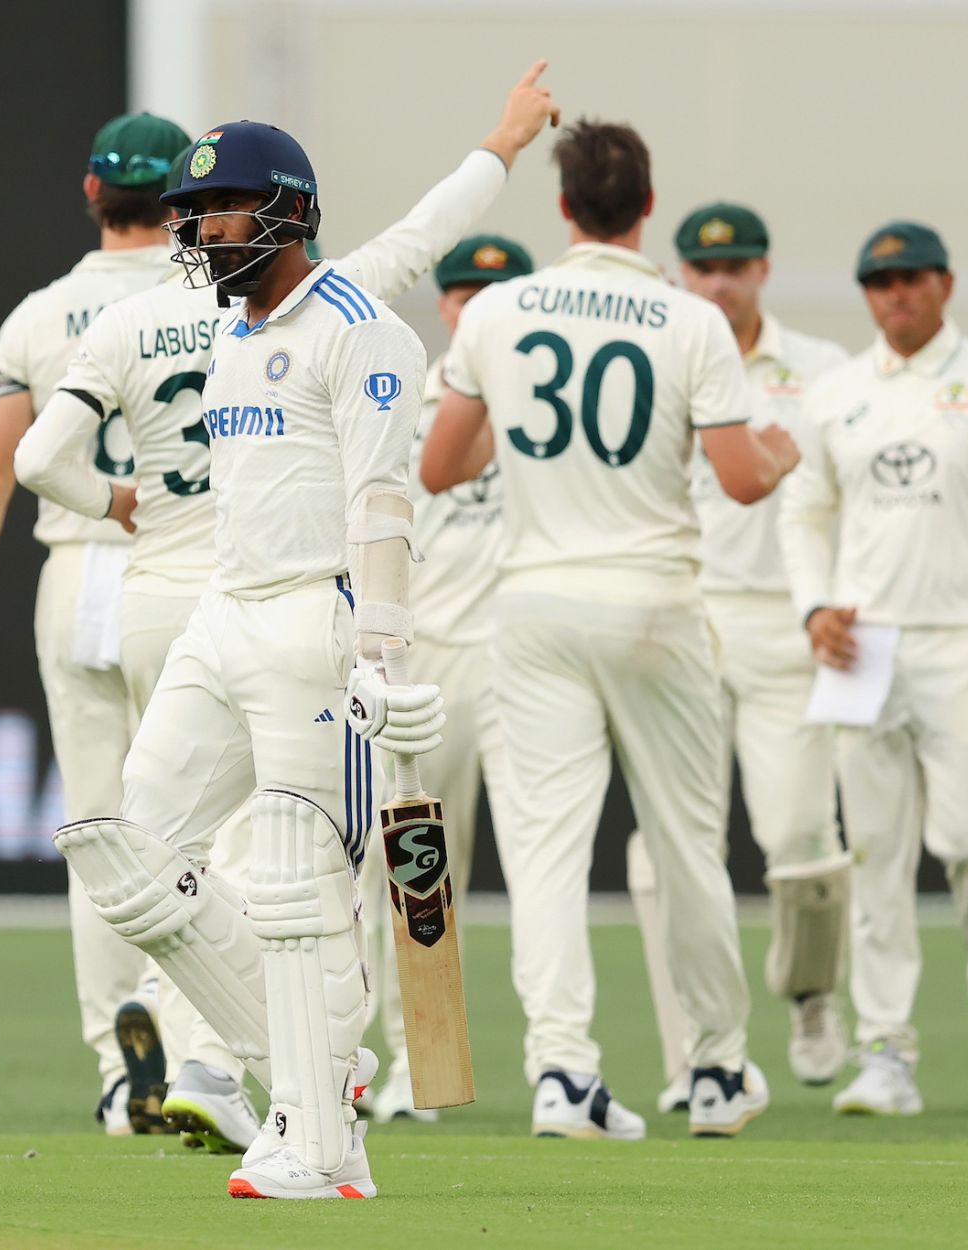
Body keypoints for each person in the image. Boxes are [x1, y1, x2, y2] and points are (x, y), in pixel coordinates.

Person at [14, 67, 563, 1155]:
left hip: (317, 624)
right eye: (190, 215)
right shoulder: (221, 326)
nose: (201, 234)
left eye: (219, 210)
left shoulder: (355, 321)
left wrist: (385, 654)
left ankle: (316, 1127)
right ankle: (304, 1060)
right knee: (127, 853)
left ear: (289, 212)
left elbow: (380, 497)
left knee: (298, 885)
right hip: (222, 611)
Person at [422, 120, 799, 1140]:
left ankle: (560, 1071)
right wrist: (779, 455)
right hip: (653, 603)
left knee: (544, 852)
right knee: (684, 845)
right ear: (646, 206)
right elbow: (735, 478)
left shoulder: (496, 312)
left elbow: (439, 467)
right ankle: (716, 1067)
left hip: (532, 604)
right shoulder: (688, 321)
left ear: (561, 209)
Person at [0, 112, 190, 1134]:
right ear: (178, 199)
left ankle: (118, 1071)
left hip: (76, 575)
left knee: (97, 826)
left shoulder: (42, 313)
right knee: (201, 817)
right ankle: (187, 1025)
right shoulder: (208, 295)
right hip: (184, 565)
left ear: (90, 194)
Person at [778, 221, 968, 1115]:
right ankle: (886, 1051)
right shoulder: (837, 394)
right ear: (865, 294)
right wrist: (814, 607)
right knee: (873, 851)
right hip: (865, 646)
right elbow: (802, 512)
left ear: (945, 283)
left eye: (909, 278)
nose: (894, 294)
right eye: (878, 282)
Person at [628, 202, 852, 1110]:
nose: (721, 283)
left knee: (799, 834)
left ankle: (809, 995)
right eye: (705, 268)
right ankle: (693, 1051)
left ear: (762, 272)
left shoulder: (822, 372)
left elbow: (846, 497)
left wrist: (834, 602)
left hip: (786, 624)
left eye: (739, 266)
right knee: (667, 846)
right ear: (683, 275)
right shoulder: (660, 356)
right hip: (684, 614)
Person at [358, 233, 534, 1124]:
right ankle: (414, 1067)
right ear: (448, 306)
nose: (476, 308)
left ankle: (560, 1066)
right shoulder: (410, 402)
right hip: (434, 663)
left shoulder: (552, 404)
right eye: (463, 292)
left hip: (536, 663)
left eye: (497, 293)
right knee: (419, 871)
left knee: (547, 872)